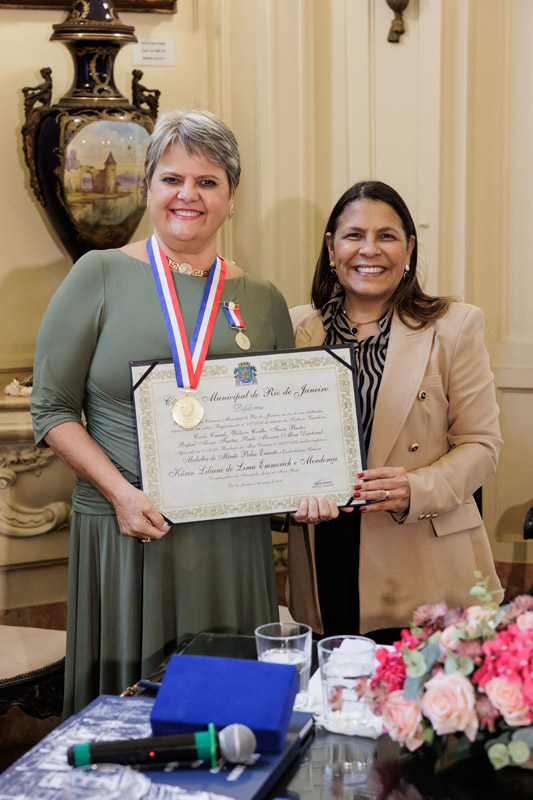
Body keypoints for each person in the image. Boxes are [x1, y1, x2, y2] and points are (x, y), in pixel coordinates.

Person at [31, 109, 294, 716]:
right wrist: (121, 493)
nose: (188, 195)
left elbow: (282, 418)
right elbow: (51, 409)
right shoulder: (97, 276)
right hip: (130, 529)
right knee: (128, 717)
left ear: (230, 197)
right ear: (147, 187)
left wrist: (307, 486)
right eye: (172, 178)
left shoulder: (262, 298)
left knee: (231, 715)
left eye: (208, 182)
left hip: (231, 539)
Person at [288, 180, 503, 641]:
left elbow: (482, 446)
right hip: (324, 556)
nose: (370, 250)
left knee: (417, 709)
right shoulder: (292, 328)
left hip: (422, 559)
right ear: (331, 247)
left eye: (387, 236)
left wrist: (417, 488)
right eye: (354, 235)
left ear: (409, 249)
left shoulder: (454, 325)